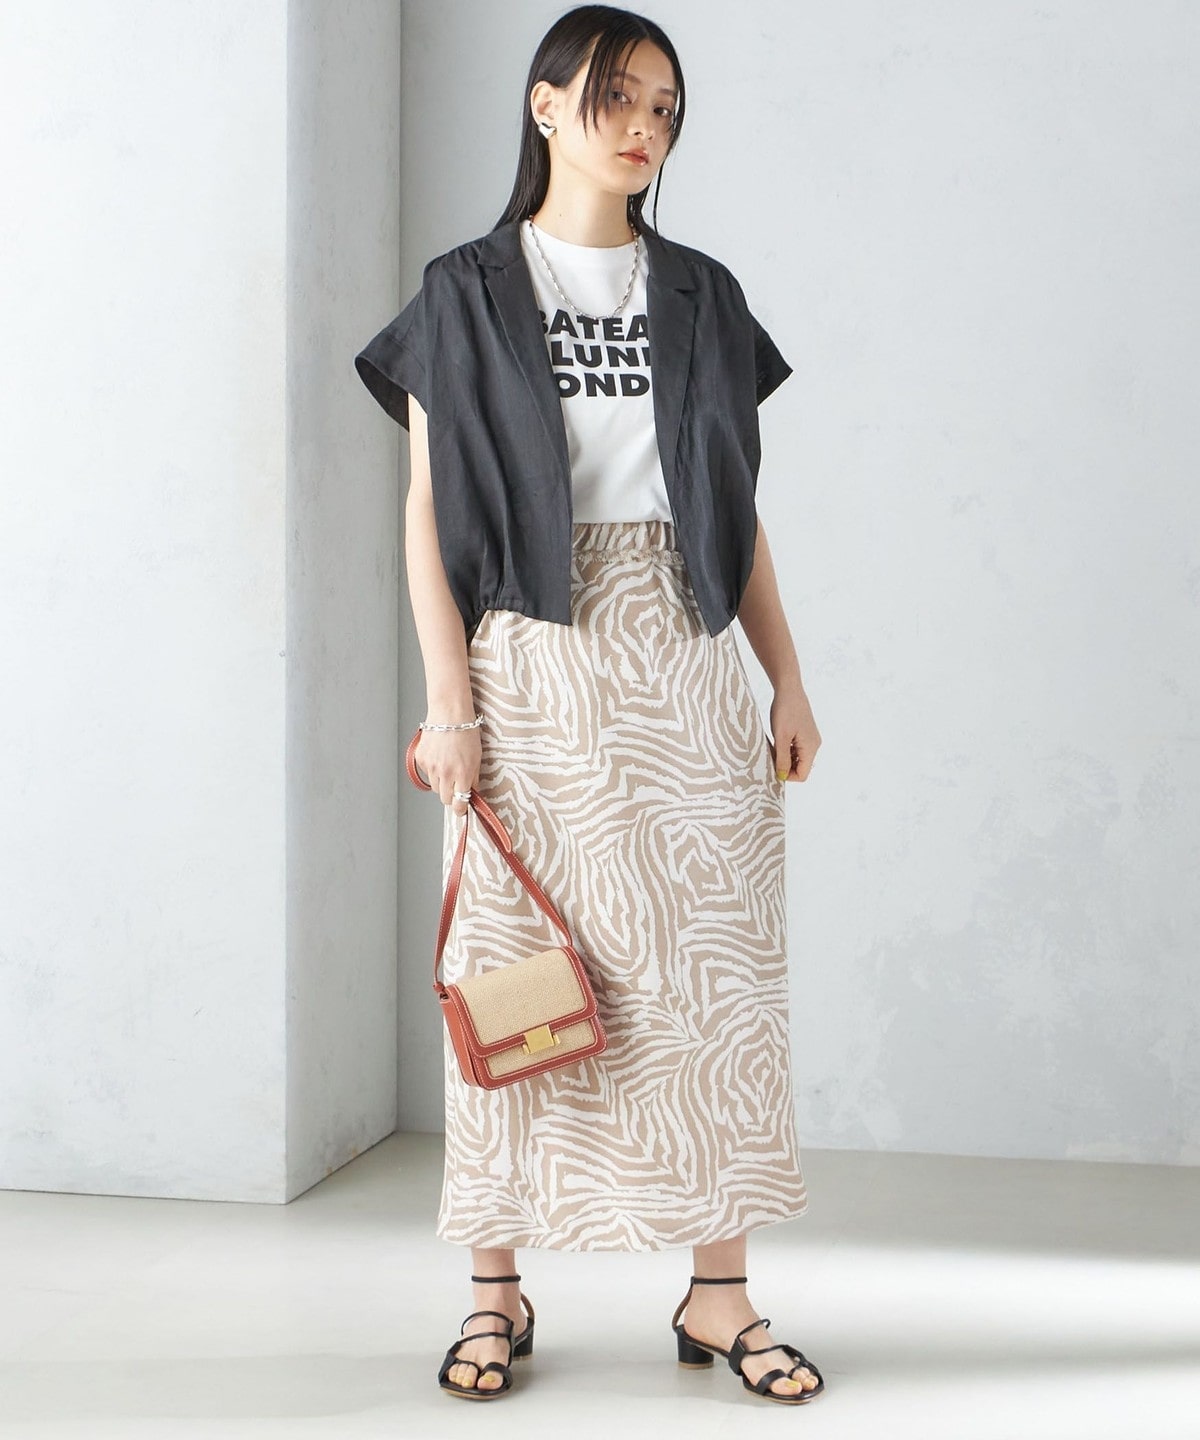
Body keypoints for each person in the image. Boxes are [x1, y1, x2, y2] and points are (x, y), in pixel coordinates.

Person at [354, 3, 825, 1407]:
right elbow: (426, 512)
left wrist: (788, 677)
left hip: (684, 654)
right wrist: (449, 701)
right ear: (546, 103)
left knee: (714, 980)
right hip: (530, 664)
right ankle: (494, 1291)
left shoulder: (705, 297)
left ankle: (720, 1292)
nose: (644, 127)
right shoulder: (462, 293)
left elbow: (736, 512)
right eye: (618, 96)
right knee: (514, 968)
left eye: (665, 108)